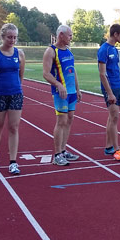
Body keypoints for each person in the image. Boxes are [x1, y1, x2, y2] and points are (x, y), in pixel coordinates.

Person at [0, 23, 26, 174]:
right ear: (2, 37)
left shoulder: (20, 53)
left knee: (14, 127)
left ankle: (13, 162)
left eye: (15, 37)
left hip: (15, 94)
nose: (12, 40)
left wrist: (18, 89)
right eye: (9, 37)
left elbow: (20, 75)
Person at [42, 25, 82, 166]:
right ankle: (57, 154)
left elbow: (73, 70)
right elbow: (46, 73)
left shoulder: (69, 51)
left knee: (69, 120)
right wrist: (58, 85)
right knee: (61, 121)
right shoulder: (51, 51)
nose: (71, 38)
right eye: (69, 35)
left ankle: (64, 150)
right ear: (61, 35)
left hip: (71, 92)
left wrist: (77, 89)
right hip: (60, 93)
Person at [98, 24, 120, 161]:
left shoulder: (115, 50)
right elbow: (102, 74)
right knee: (115, 118)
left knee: (112, 118)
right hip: (109, 88)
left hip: (117, 86)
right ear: (115, 34)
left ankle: (108, 146)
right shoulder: (103, 50)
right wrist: (110, 93)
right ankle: (117, 150)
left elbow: (116, 70)